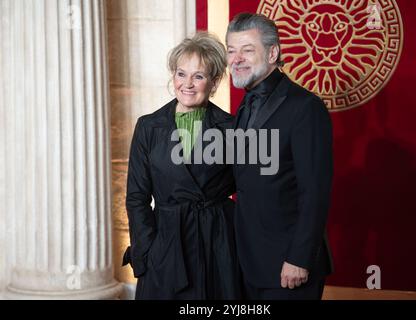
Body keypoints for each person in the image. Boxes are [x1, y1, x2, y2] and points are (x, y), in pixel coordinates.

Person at [122, 32, 241, 300]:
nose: (187, 84)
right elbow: (137, 197)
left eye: (198, 76)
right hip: (166, 244)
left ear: (214, 82)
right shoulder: (148, 127)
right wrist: (147, 251)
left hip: (218, 243)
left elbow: (251, 192)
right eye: (180, 74)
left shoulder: (232, 128)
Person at [226, 13, 333, 300]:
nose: (236, 59)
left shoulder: (305, 107)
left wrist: (299, 257)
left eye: (247, 50)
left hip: (290, 265)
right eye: (231, 50)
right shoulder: (244, 106)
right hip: (247, 262)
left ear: (273, 53)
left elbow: (315, 192)